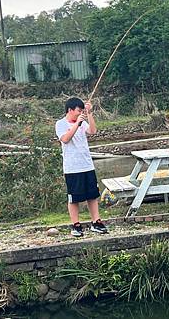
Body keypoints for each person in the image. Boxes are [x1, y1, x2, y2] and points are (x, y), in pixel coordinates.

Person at [55, 97, 108, 237]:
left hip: (87, 165)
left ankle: (96, 222)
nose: (80, 113)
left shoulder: (82, 122)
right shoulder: (60, 124)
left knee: (92, 195)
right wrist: (76, 124)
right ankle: (76, 225)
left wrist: (89, 113)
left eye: (81, 111)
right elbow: (65, 139)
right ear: (70, 110)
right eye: (79, 111)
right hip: (72, 167)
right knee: (74, 198)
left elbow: (92, 131)